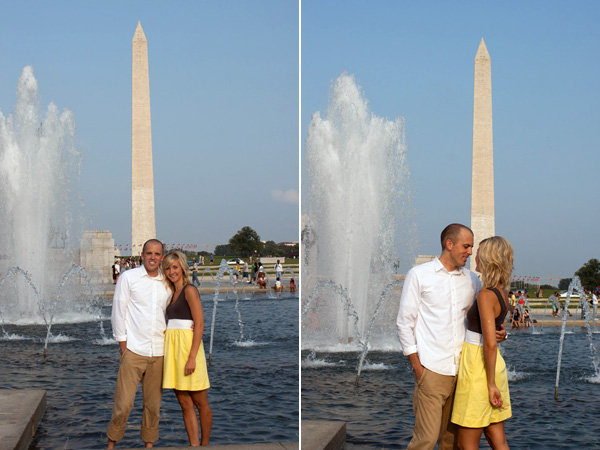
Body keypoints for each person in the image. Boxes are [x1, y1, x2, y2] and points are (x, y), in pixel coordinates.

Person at [397, 224, 506, 449]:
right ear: (449, 244)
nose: (470, 252)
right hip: (432, 370)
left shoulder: (472, 280)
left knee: (451, 442)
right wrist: (418, 367)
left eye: (472, 247)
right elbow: (404, 323)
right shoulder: (420, 275)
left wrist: (500, 332)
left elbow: (482, 320)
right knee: (425, 440)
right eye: (466, 246)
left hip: (464, 372)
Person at [107, 239, 171, 449]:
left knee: (153, 407)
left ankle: (149, 446)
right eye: (149, 253)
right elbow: (118, 312)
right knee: (123, 405)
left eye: (157, 254)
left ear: (162, 257)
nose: (153, 257)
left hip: (159, 352)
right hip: (134, 350)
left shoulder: (167, 282)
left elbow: (173, 313)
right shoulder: (129, 278)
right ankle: (111, 444)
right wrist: (124, 347)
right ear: (142, 255)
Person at [451, 236, 513, 449]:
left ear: (488, 258)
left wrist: (490, 384)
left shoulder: (486, 295)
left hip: (479, 369)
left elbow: (489, 343)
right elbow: (493, 334)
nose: (474, 255)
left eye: (478, 252)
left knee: (466, 443)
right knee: (498, 439)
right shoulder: (502, 293)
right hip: (494, 368)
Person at [162, 251, 212, 446]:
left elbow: (199, 324)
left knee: (201, 403)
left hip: (188, 350)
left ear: (182, 267)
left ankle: (205, 444)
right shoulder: (171, 293)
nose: (171, 271)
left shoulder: (189, 290)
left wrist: (192, 358)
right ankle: (194, 445)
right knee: (184, 403)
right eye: (167, 268)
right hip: (173, 351)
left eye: (175, 267)